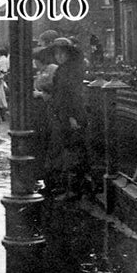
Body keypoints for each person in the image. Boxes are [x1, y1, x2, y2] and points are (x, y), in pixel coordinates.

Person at [44, 37, 90, 200]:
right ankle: (66, 187)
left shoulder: (71, 70)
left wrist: (72, 117)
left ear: (68, 54)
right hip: (63, 114)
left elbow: (73, 95)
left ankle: (73, 190)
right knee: (65, 150)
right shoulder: (63, 69)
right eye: (57, 54)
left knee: (72, 152)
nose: (59, 57)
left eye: (62, 54)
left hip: (71, 114)